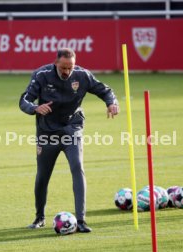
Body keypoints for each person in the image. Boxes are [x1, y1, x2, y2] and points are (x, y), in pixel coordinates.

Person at [19, 48, 119, 233]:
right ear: (56, 63)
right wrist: (34, 108)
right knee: (42, 176)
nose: (67, 71)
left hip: (72, 129)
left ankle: (81, 220)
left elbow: (105, 90)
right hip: (47, 133)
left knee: (77, 167)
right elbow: (24, 100)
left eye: (70, 67)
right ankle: (39, 217)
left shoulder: (82, 75)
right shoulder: (41, 75)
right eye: (63, 67)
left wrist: (111, 102)